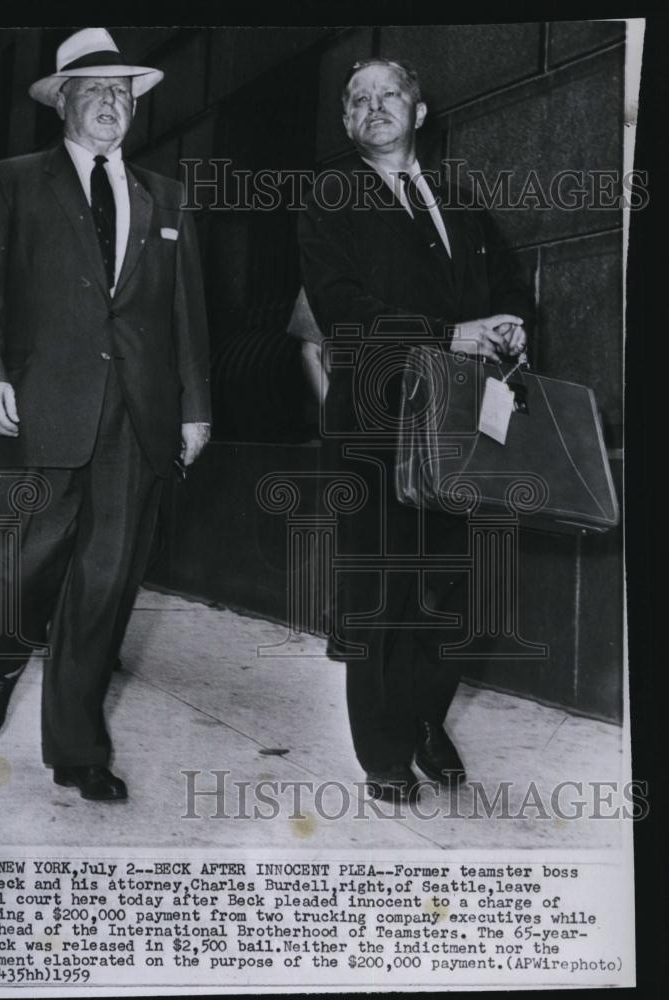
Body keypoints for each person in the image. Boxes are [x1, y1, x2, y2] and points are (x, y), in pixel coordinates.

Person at [0, 28, 211, 801]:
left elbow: (184, 316)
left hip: (138, 418)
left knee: (105, 584)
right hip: (39, 411)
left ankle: (77, 749)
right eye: (94, 90)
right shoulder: (13, 182)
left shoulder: (165, 197)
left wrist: (195, 408)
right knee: (23, 566)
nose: (111, 104)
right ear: (61, 101)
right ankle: (1, 655)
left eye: (122, 93)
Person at [298, 58, 533, 804]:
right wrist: (447, 333)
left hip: (460, 427)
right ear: (345, 123)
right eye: (357, 100)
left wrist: (512, 325)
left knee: (455, 592)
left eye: (388, 95)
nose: (374, 108)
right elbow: (342, 310)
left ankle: (425, 719)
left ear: (418, 112)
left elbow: (506, 291)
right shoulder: (328, 199)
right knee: (379, 591)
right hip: (375, 427)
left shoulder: (459, 202)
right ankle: (384, 752)